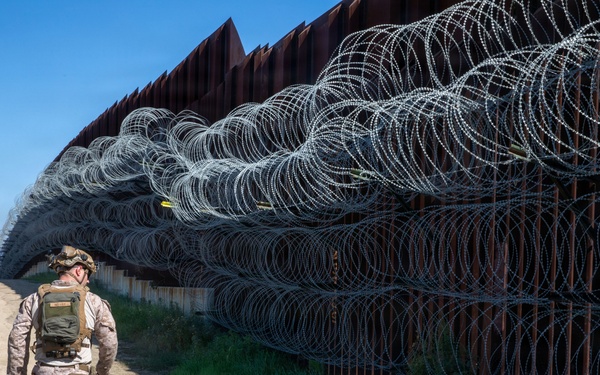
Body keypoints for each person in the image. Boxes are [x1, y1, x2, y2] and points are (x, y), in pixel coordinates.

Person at [7, 246, 117, 375]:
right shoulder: (94, 301)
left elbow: (17, 341)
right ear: (79, 270)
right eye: (88, 275)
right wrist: (101, 372)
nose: (87, 281)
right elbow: (109, 343)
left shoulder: (33, 299)